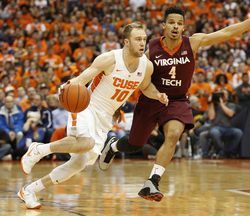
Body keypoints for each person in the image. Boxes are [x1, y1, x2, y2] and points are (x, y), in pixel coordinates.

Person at [100, 5, 250, 202]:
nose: (175, 26)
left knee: (174, 134)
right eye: (172, 23)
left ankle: (152, 182)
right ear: (164, 25)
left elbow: (225, 32)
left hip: (176, 100)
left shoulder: (193, 42)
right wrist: (117, 105)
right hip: (151, 99)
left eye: (180, 23)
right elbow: (134, 80)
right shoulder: (150, 51)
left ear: (184, 27)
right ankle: (114, 147)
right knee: (133, 145)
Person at [17, 22, 168, 209]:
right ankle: (39, 149)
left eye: (144, 39)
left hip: (105, 119)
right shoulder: (109, 59)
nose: (142, 43)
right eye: (138, 39)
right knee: (86, 142)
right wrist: (68, 86)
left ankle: (29, 190)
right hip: (86, 105)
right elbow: (83, 78)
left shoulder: (146, 67)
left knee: (79, 163)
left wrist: (158, 94)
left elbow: (146, 87)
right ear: (126, 42)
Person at [208, 89, 243, 158]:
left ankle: (231, 152)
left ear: (228, 96)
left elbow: (230, 114)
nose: (223, 96)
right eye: (221, 94)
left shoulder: (231, 105)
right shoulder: (214, 105)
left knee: (239, 132)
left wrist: (221, 104)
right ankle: (221, 152)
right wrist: (212, 103)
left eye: (225, 94)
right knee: (215, 132)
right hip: (216, 127)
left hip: (228, 128)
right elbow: (211, 117)